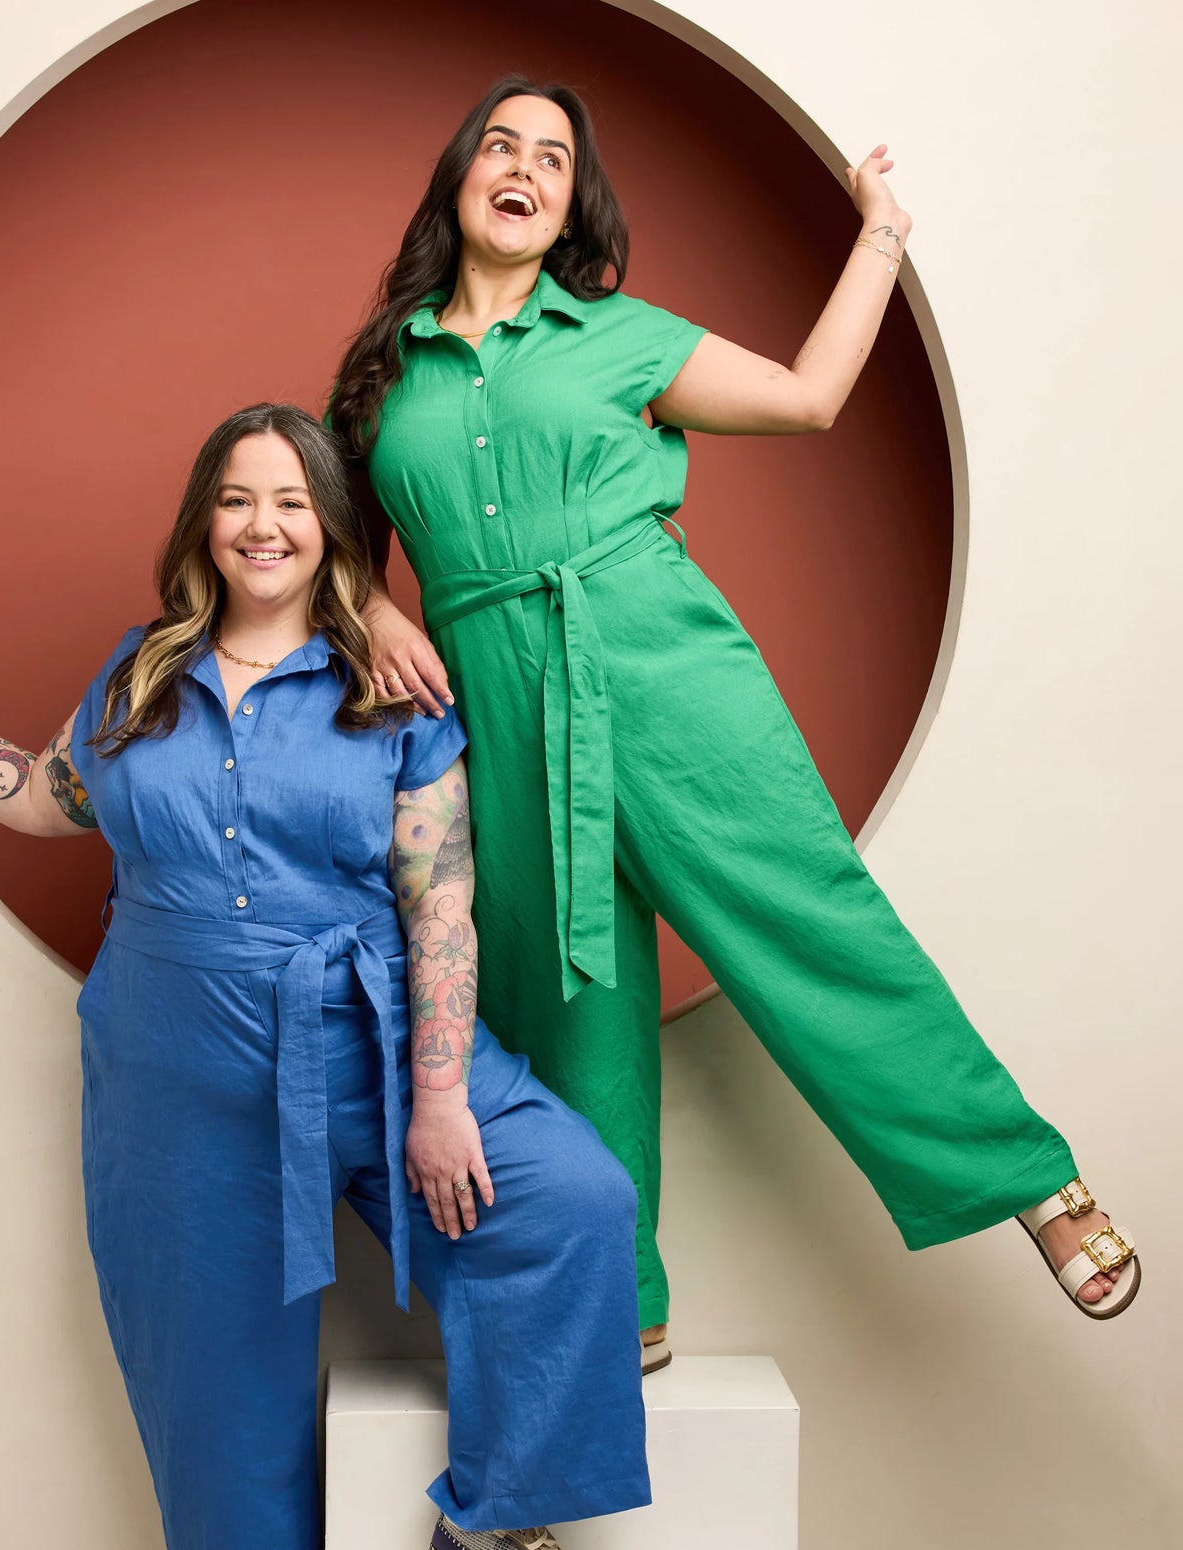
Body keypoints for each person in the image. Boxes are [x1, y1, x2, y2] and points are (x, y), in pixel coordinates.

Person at [0, 403, 648, 1550]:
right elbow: (35, 794)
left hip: (368, 1040)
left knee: (571, 1199)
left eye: (290, 500)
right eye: (235, 498)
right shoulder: (137, 676)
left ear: (328, 527)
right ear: (201, 522)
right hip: (175, 1070)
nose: (262, 525)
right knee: (212, 1356)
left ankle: (489, 1524)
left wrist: (440, 1095)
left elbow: (438, 897)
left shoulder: (388, 685)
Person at [329, 78, 1141, 1362]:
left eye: (552, 158)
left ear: (569, 209)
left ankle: (1025, 1177)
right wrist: (376, 609)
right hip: (493, 699)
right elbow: (326, 542)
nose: (523, 168)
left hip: (657, 663)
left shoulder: (621, 337)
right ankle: (620, 1297)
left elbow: (811, 396)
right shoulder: (384, 372)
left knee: (803, 917)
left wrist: (880, 231)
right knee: (561, 1002)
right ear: (459, 177)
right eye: (500, 146)